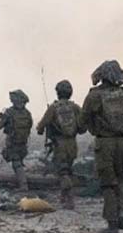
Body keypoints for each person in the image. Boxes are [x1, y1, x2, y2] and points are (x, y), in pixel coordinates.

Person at [80, 60, 123, 233]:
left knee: (108, 182)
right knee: (121, 179)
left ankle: (112, 225)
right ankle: (122, 214)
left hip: (104, 144)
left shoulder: (94, 96)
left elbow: (82, 122)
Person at [36, 80, 86, 209]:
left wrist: (41, 129)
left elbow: (41, 126)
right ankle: (63, 196)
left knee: (62, 172)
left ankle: (69, 200)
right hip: (73, 144)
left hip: (59, 144)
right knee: (68, 169)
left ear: (58, 93)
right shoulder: (75, 107)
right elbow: (83, 127)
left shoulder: (53, 108)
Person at [0, 90, 33, 190]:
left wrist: (2, 116)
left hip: (12, 142)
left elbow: (0, 126)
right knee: (18, 163)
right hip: (23, 143)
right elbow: (30, 126)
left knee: (16, 163)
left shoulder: (9, 112)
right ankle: (19, 181)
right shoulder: (27, 113)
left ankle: (23, 185)